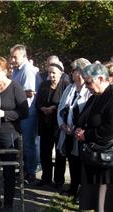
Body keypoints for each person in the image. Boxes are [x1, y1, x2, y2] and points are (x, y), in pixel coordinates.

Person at [0, 56, 28, 209]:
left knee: (8, 170)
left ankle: (8, 203)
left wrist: (5, 114)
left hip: (9, 133)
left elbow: (24, 112)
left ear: (5, 71)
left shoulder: (14, 86)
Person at [75, 63, 113, 212]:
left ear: (101, 78)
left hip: (106, 158)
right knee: (92, 198)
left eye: (89, 82)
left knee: (104, 201)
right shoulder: (94, 97)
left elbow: (110, 129)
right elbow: (83, 117)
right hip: (92, 155)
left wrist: (87, 134)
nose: (87, 86)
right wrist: (79, 128)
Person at [56, 58, 91, 198]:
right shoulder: (70, 88)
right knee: (71, 161)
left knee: (81, 162)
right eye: (75, 71)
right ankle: (73, 188)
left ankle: (82, 192)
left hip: (81, 134)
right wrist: (62, 125)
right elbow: (61, 108)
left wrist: (78, 128)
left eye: (76, 71)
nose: (74, 74)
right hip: (68, 132)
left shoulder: (89, 90)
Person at [10, 44, 42, 184]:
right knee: (23, 144)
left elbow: (29, 93)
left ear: (24, 56)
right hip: (20, 112)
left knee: (29, 144)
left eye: (15, 57)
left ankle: (31, 172)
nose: (12, 60)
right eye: (11, 57)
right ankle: (25, 170)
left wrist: (14, 95)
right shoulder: (17, 70)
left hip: (28, 112)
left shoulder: (27, 71)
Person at [35, 62, 70, 189]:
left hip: (58, 125)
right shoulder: (44, 85)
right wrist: (42, 108)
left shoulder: (65, 85)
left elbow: (67, 103)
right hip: (45, 124)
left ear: (60, 73)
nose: (51, 75)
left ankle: (59, 180)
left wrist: (54, 108)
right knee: (45, 153)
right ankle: (46, 178)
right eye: (49, 73)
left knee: (60, 154)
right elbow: (37, 102)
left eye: (54, 72)